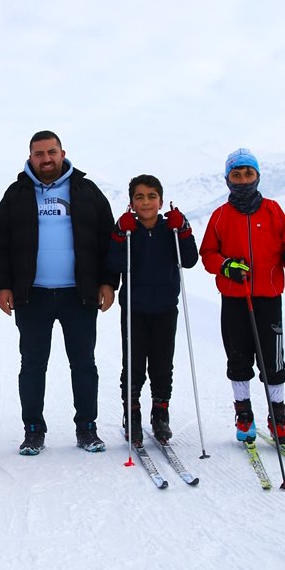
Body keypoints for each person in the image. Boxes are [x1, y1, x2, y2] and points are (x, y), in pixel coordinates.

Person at [0, 130, 116, 455]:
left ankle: (87, 428)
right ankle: (33, 430)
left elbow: (107, 239)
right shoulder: (16, 194)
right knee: (32, 364)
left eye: (51, 152)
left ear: (62, 153)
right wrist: (2, 285)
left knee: (84, 363)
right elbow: (0, 241)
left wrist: (108, 282)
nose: (46, 159)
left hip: (79, 293)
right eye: (39, 154)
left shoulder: (86, 191)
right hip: (33, 295)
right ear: (30, 157)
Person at [199, 148, 285, 445]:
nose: (243, 180)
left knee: (273, 361)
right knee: (239, 358)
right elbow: (208, 254)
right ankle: (244, 414)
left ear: (258, 176)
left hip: (269, 297)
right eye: (236, 174)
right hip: (234, 297)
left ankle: (278, 417)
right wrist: (225, 265)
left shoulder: (273, 210)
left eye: (248, 173)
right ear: (227, 179)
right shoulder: (220, 216)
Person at [105, 174, 199, 447]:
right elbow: (114, 264)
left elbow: (190, 260)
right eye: (139, 197)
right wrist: (120, 236)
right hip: (134, 307)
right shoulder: (126, 228)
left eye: (151, 196)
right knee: (133, 364)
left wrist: (183, 231)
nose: (145, 202)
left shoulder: (169, 228)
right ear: (131, 202)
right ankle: (131, 415)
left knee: (162, 364)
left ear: (160, 200)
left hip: (165, 306)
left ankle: (161, 414)